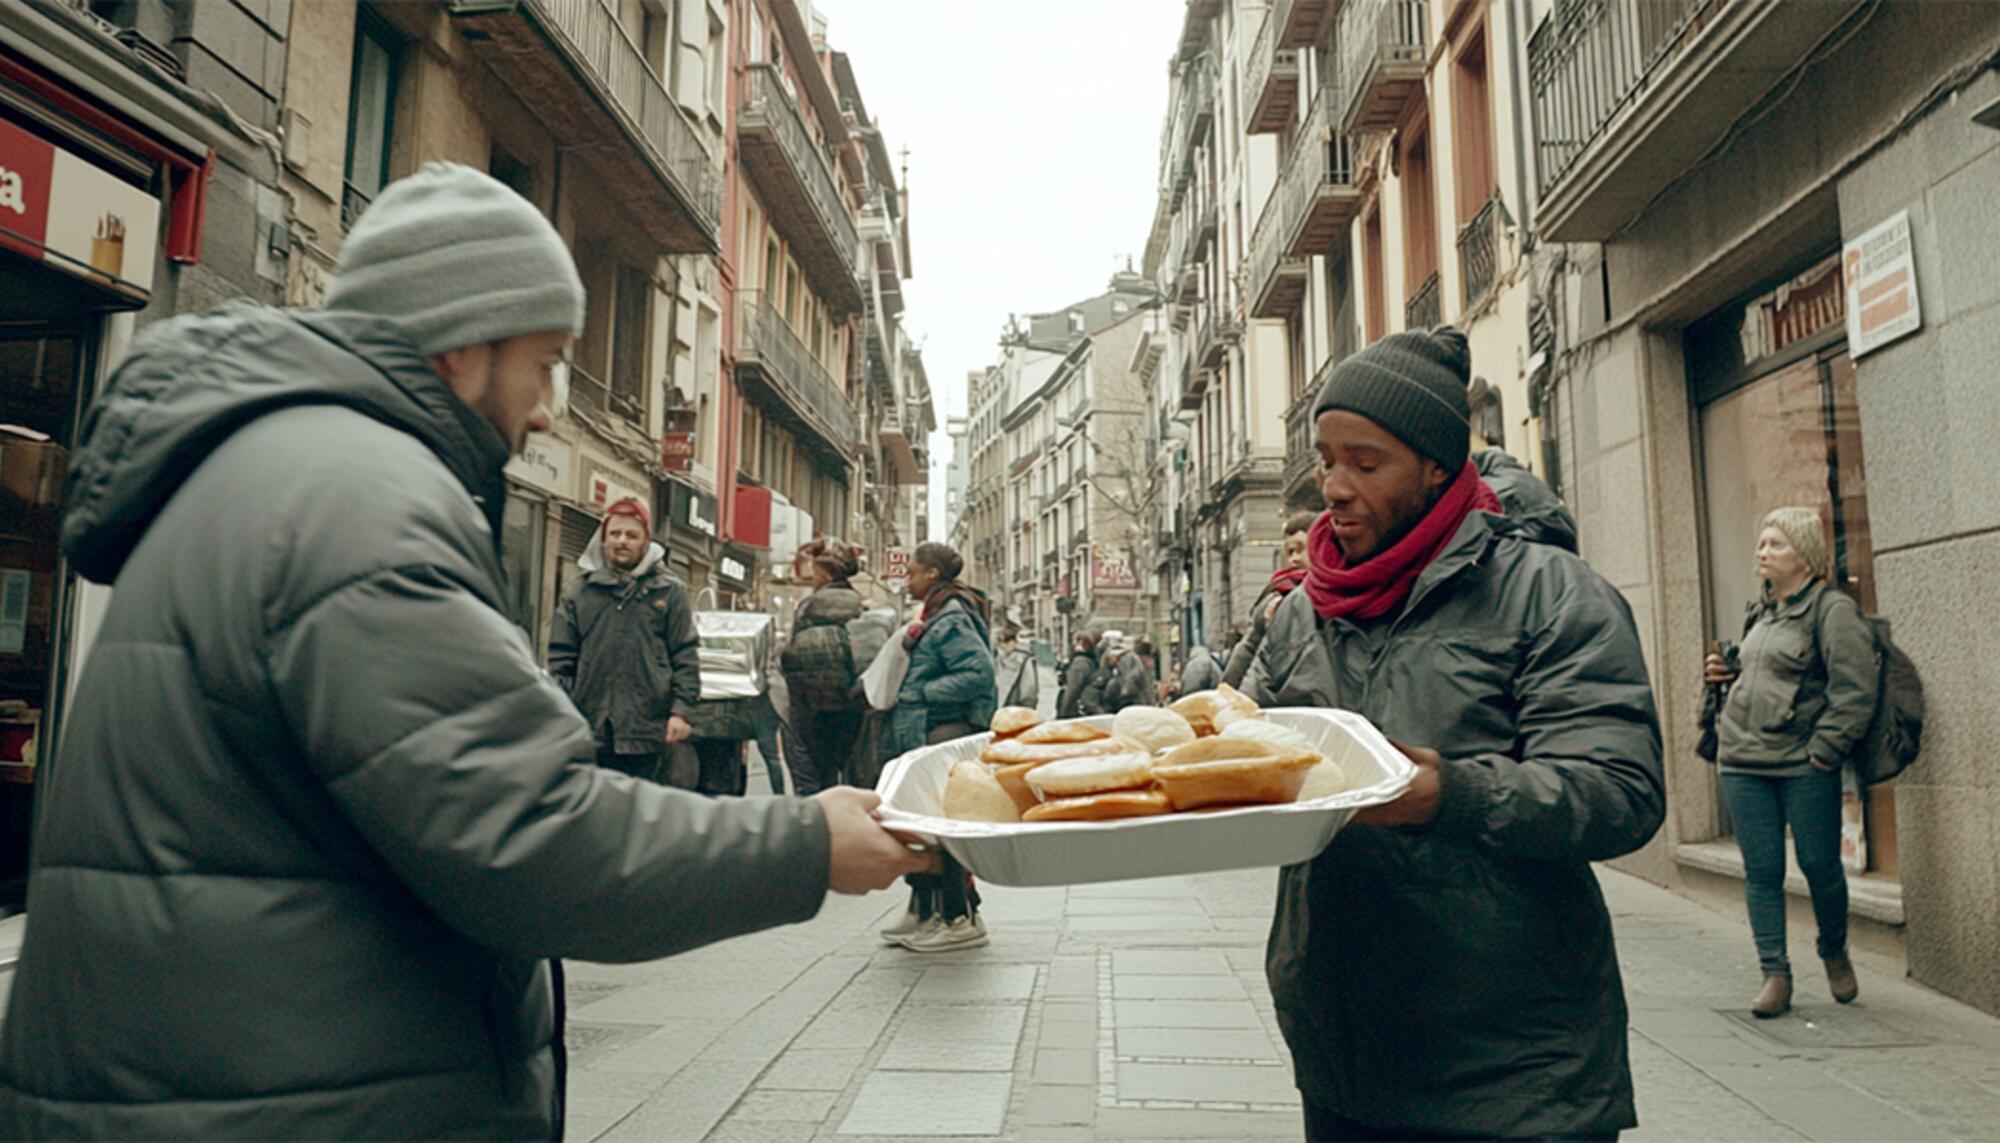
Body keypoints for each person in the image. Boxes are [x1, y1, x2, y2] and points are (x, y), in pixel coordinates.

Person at [0, 163, 932, 1139]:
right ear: (458, 347)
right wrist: (803, 841)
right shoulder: (353, 500)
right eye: (542, 362)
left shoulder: (277, 468)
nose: (544, 407)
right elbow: (528, 835)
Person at [1244, 326, 1664, 1141]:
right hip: (1343, 1055)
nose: (1332, 485)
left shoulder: (1550, 593)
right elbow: (1248, 749)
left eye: (1365, 463)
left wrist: (1447, 792)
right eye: (1326, 458)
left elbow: (1621, 792)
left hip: (1511, 1070)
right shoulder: (1306, 607)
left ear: (1436, 466)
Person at [1702, 507, 1874, 1019]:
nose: (1762, 552)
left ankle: (1833, 949)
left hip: (1802, 764)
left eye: (1775, 544)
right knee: (1761, 871)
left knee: (1820, 866)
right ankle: (1774, 973)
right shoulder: (1762, 613)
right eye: (1760, 543)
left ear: (1805, 555)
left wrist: (1822, 754)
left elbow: (1855, 692)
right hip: (1741, 759)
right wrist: (1724, 674)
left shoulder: (1832, 611)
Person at [883, 542, 997, 953]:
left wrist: (921, 694)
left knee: (943, 829)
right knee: (926, 826)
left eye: (912, 572)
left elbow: (978, 673)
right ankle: (929, 910)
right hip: (929, 730)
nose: (906, 578)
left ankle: (958, 917)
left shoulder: (949, 617)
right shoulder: (938, 611)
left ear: (932, 574)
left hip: (942, 731)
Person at [548, 497, 700, 787]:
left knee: (643, 819)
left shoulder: (670, 592)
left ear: (646, 540)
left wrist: (681, 712)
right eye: (615, 534)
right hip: (590, 729)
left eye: (632, 535)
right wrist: (563, 713)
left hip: (648, 730)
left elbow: (685, 654)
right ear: (603, 538)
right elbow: (560, 660)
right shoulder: (578, 593)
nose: (622, 541)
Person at [780, 538, 868, 794]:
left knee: (811, 775)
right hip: (849, 704)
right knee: (847, 771)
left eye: (816, 570)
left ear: (826, 573)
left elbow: (794, 653)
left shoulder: (810, 606)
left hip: (808, 705)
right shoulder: (857, 603)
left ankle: (814, 824)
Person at [1223, 511, 1317, 687]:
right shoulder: (1276, 593)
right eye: (1290, 552)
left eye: (1301, 549)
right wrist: (1229, 692)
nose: (1294, 558)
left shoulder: (1331, 592)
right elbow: (1248, 650)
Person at [995, 624, 1040, 710]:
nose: (1002, 645)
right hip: (1006, 709)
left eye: (1005, 642)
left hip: (1015, 708)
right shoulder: (997, 660)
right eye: (1000, 642)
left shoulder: (1024, 661)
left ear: (1013, 642)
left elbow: (1029, 690)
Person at [1058, 630, 1099, 718]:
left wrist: (1063, 712)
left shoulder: (1080, 663)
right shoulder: (1091, 661)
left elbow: (1073, 689)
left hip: (1074, 710)